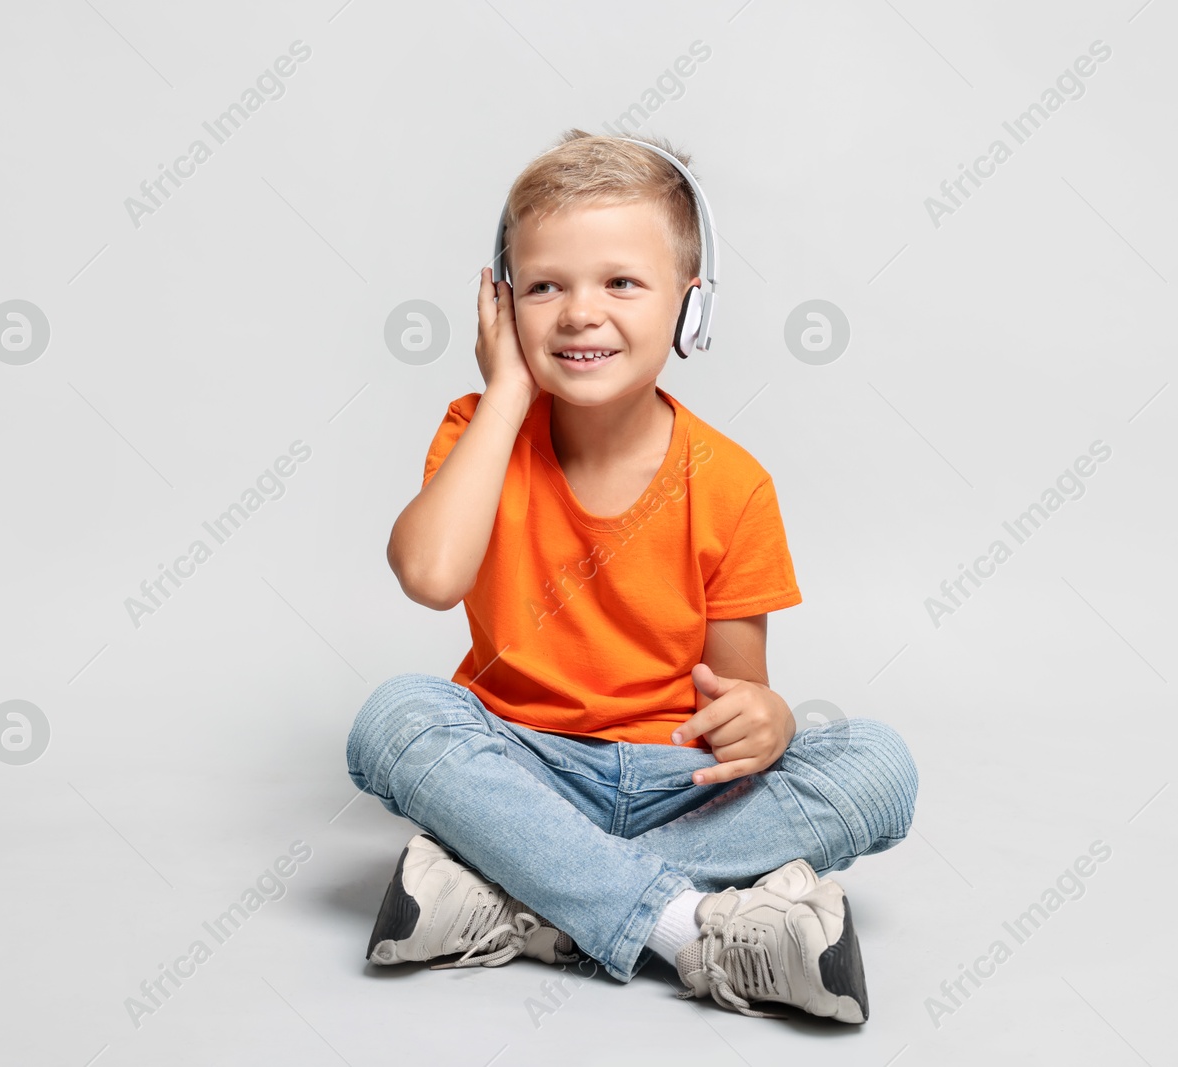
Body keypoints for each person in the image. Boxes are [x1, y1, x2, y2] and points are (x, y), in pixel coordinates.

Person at [345, 129, 918, 1024]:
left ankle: (523, 894)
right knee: (395, 719)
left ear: (691, 308)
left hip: (678, 782)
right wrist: (504, 392)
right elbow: (428, 572)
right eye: (544, 286)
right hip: (525, 762)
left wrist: (764, 722)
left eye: (620, 282)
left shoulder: (733, 483)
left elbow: (738, 698)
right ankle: (695, 928)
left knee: (880, 767)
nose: (579, 312)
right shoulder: (480, 433)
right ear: (502, 306)